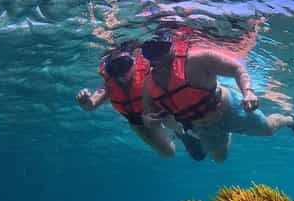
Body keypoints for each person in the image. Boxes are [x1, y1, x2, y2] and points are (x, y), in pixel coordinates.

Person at [141, 31, 294, 163]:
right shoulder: (149, 83)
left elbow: (237, 69)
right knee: (220, 159)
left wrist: (248, 92)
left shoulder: (198, 59)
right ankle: (201, 134)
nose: (159, 58)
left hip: (231, 109)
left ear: (172, 45)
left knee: (267, 129)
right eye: (151, 53)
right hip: (203, 126)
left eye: (162, 49)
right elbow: (148, 111)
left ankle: (291, 120)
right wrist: (149, 118)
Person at [76, 40, 206, 160]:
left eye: (124, 65)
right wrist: (85, 101)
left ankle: (182, 134)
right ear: (108, 70)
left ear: (133, 62)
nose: (121, 73)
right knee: (168, 153)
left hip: (157, 111)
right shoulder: (109, 86)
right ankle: (173, 135)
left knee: (175, 123)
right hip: (137, 121)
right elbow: (90, 106)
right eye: (113, 69)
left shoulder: (147, 72)